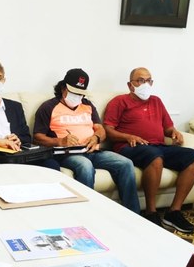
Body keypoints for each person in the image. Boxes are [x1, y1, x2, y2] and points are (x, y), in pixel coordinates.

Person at [103, 67, 194, 233]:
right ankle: (151, 212)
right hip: (130, 147)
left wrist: (174, 133)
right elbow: (108, 130)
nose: (145, 84)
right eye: (140, 80)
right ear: (130, 85)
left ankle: (174, 212)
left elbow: (167, 128)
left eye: (149, 81)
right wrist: (128, 137)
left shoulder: (156, 101)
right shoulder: (119, 101)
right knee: (154, 156)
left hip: (158, 146)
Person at [33, 68, 140, 214]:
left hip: (93, 151)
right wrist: (60, 141)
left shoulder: (88, 105)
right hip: (67, 154)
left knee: (126, 163)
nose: (77, 96)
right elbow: (37, 137)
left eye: (80, 93)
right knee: (85, 165)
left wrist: (96, 137)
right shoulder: (48, 107)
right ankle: (87, 214)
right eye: (74, 92)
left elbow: (101, 130)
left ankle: (133, 214)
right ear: (63, 88)